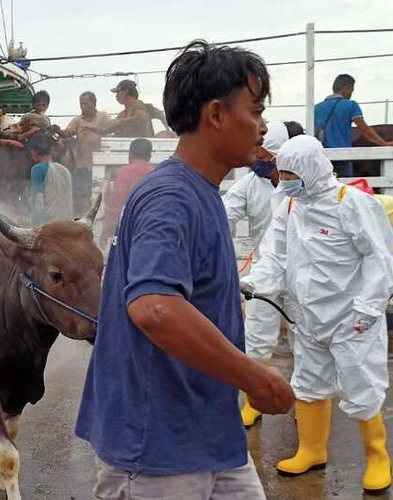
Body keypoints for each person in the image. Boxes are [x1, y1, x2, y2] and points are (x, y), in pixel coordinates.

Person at [75, 41, 294, 499]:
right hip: (157, 453)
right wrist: (255, 378)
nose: (262, 126)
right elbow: (155, 308)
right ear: (216, 114)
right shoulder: (170, 197)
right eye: (254, 111)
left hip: (210, 439)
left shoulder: (201, 192)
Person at [242, 135, 393, 494]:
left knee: (360, 386)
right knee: (308, 383)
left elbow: (380, 259)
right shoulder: (291, 206)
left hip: (350, 319)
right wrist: (254, 284)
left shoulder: (352, 204)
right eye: (284, 172)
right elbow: (274, 255)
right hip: (307, 318)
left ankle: (377, 457)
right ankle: (311, 450)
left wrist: (368, 308)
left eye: (292, 172)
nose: (286, 179)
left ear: (310, 169)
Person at [221, 121, 292, 427]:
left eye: (263, 156)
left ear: (278, 155)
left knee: (308, 339)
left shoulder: (301, 183)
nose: (257, 161)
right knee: (258, 336)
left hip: (307, 272)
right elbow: (223, 211)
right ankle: (254, 402)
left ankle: (309, 399)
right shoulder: (251, 183)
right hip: (265, 270)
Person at [314, 74, 393, 178]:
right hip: (343, 156)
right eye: (351, 90)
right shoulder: (351, 105)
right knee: (344, 189)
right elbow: (364, 129)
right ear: (347, 88)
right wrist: (383, 143)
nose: (351, 94)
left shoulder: (316, 108)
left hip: (321, 157)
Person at [63, 91, 111, 215]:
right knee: (80, 197)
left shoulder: (104, 116)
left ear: (94, 103)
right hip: (82, 167)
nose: (83, 106)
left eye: (85, 103)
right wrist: (59, 131)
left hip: (101, 166)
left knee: (99, 198)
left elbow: (109, 130)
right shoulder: (77, 120)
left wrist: (92, 129)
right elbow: (67, 132)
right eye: (81, 104)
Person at [100, 138, 154, 246]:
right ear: (149, 156)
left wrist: (106, 231)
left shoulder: (124, 173)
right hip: (149, 230)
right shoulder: (154, 173)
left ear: (130, 154)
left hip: (127, 230)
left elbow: (116, 204)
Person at [27, 134, 73, 225]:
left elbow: (38, 199)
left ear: (34, 152)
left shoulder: (38, 169)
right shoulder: (64, 170)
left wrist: (36, 225)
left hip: (49, 223)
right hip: (66, 221)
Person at [100, 79, 170, 137]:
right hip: (129, 147)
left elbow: (140, 118)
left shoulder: (138, 104)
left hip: (143, 147)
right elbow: (113, 127)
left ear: (126, 91)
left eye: (118, 92)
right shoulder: (122, 114)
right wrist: (99, 129)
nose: (116, 96)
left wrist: (168, 130)